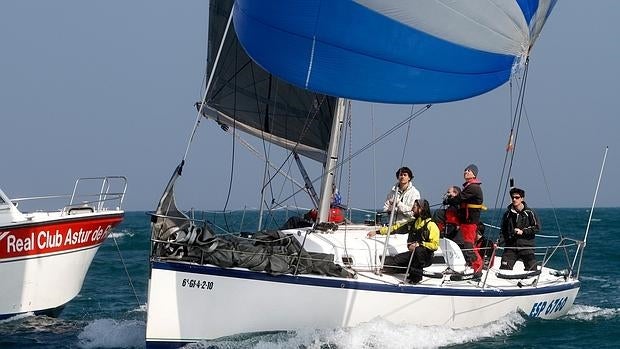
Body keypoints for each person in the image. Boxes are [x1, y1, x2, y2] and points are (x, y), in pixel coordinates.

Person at [370, 199, 439, 284]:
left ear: (421, 209)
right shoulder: (413, 223)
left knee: (418, 250)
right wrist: (377, 232)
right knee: (390, 263)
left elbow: (435, 245)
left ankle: (416, 277)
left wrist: (420, 244)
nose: (412, 209)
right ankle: (408, 270)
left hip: (425, 257)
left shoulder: (431, 225)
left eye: (415, 206)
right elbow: (395, 228)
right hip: (413, 255)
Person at [445, 164, 484, 273]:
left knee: (468, 246)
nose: (465, 172)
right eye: (465, 170)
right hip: (466, 221)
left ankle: (478, 267)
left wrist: (449, 201)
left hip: (470, 221)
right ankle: (474, 266)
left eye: (468, 171)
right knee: (469, 245)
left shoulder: (473, 187)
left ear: (474, 174)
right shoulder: (469, 186)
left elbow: (460, 198)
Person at [499, 187, 540, 271]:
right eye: (512, 198)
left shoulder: (529, 212)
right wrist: (498, 242)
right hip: (511, 246)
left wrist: (523, 231)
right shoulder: (507, 214)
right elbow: (503, 231)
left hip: (526, 246)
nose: (514, 199)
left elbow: (537, 227)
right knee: (504, 269)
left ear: (522, 198)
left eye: (517, 197)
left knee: (532, 269)